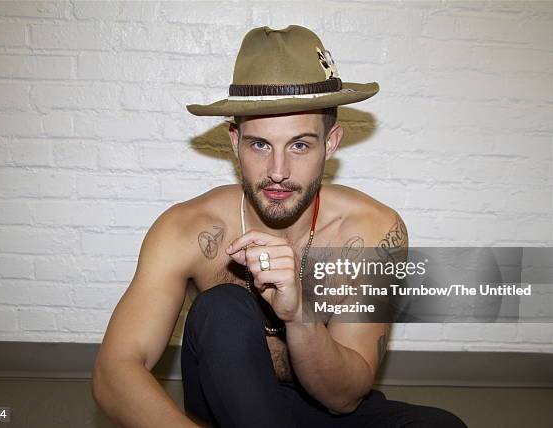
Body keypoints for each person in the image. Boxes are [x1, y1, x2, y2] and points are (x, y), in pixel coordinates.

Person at [92, 25, 467, 428]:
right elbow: (115, 372)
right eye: (260, 145)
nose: (277, 172)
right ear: (235, 141)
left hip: (322, 407)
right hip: (229, 408)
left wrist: (299, 315)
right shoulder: (186, 228)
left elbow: (344, 397)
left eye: (300, 145)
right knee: (221, 308)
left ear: (332, 142)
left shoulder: (373, 230)